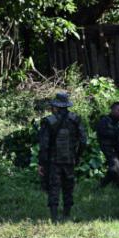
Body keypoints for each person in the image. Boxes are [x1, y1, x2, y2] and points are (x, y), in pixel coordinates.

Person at [37, 92, 87, 221]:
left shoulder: (49, 121)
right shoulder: (75, 119)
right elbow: (83, 141)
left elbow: (44, 145)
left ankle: (54, 217)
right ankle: (67, 214)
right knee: (68, 186)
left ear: (56, 107)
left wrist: (42, 163)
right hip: (70, 159)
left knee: (54, 186)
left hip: (53, 160)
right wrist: (78, 156)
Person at [95, 102, 119, 188]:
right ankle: (101, 185)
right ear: (112, 110)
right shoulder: (104, 120)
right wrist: (118, 134)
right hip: (109, 148)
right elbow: (102, 133)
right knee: (114, 168)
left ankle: (117, 189)